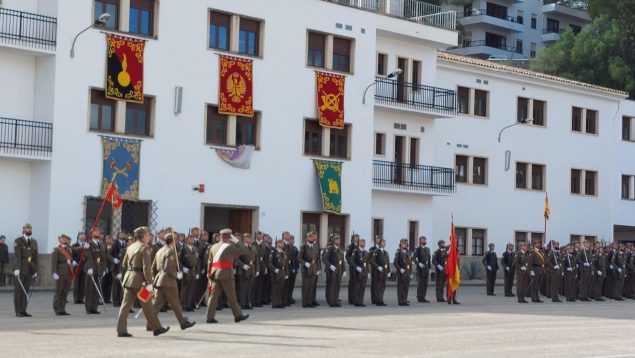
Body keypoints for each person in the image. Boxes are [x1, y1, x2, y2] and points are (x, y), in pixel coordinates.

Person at [116, 226, 169, 338]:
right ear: (143, 236)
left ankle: (121, 329)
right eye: (148, 234)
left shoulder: (130, 246)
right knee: (148, 305)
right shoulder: (144, 247)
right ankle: (157, 328)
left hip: (129, 279)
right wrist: (149, 282)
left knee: (125, 306)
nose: (149, 236)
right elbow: (146, 267)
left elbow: (124, 264)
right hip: (140, 282)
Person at [150, 233, 195, 331]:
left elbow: (153, 267)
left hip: (159, 280)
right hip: (168, 281)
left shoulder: (160, 251)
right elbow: (168, 268)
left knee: (156, 304)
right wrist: (176, 275)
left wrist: (154, 278)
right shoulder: (171, 251)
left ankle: (150, 324)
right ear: (173, 241)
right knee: (175, 303)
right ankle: (183, 323)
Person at [205, 229, 250, 323]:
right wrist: (237, 241)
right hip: (226, 274)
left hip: (215, 274)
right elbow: (244, 250)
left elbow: (210, 262)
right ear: (229, 237)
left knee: (213, 297)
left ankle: (209, 317)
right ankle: (238, 315)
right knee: (232, 296)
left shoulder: (213, 246)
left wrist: (209, 274)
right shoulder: (229, 247)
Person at [14, 223, 38, 317]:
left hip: (30, 269)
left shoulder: (34, 241)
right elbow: (17, 256)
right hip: (21, 268)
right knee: (18, 290)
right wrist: (17, 268)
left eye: (30, 228)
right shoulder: (18, 241)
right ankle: (18, 311)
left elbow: (36, 257)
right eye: (27, 228)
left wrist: (35, 270)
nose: (29, 230)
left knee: (25, 290)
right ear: (23, 229)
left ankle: (23, 310)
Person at [84, 229, 107, 314]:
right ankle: (88, 308)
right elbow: (88, 256)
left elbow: (103, 258)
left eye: (99, 232)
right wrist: (90, 267)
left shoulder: (101, 244)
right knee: (89, 289)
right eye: (95, 231)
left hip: (99, 268)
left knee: (96, 290)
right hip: (91, 268)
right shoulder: (88, 244)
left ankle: (94, 307)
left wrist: (104, 269)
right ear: (91, 233)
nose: (97, 233)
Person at [51, 234, 73, 315]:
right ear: (59, 240)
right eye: (63, 238)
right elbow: (54, 262)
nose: (64, 239)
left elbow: (74, 253)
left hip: (68, 273)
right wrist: (54, 272)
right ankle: (57, 309)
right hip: (60, 273)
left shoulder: (69, 249)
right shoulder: (57, 250)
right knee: (58, 292)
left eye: (66, 238)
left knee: (65, 292)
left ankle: (62, 309)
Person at [236, 233, 259, 310]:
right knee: (243, 287)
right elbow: (236, 259)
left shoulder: (253, 247)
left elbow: (256, 259)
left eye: (250, 237)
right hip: (243, 270)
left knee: (249, 287)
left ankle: (248, 302)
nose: (249, 239)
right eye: (247, 237)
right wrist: (243, 265)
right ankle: (242, 303)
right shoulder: (241, 247)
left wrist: (257, 270)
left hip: (252, 269)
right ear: (244, 239)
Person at [323, 234, 345, 307]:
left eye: (339, 239)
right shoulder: (330, 248)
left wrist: (344, 270)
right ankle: (331, 301)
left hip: (339, 270)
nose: (338, 240)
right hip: (331, 270)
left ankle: (335, 300)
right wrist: (330, 266)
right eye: (336, 239)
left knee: (337, 286)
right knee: (331, 286)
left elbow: (342, 260)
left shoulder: (340, 249)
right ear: (333, 240)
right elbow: (324, 259)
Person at [299, 231, 321, 308]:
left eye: (312, 237)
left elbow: (317, 259)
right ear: (307, 238)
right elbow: (299, 258)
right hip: (306, 270)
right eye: (310, 237)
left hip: (314, 269)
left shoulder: (315, 246)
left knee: (311, 286)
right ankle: (305, 303)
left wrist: (318, 268)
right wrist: (305, 263)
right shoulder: (303, 246)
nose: (312, 238)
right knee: (306, 286)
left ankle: (309, 301)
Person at [179, 234, 199, 312]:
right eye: (190, 238)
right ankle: (183, 305)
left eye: (193, 238)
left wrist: (197, 272)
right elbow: (178, 260)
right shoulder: (183, 249)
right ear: (186, 240)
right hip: (186, 270)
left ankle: (189, 304)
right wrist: (182, 268)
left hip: (193, 271)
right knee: (185, 288)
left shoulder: (195, 249)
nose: (192, 239)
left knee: (191, 289)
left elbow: (197, 262)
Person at [369, 238, 389, 306]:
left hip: (384, 272)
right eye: (383, 242)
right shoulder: (376, 251)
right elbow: (372, 261)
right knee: (378, 286)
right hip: (378, 272)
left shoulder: (386, 252)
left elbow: (387, 263)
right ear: (380, 243)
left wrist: (388, 271)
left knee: (382, 287)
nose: (384, 243)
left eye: (384, 242)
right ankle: (378, 300)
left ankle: (381, 299)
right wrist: (378, 267)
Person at [269, 238, 288, 309]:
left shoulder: (284, 252)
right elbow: (270, 263)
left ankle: (279, 302)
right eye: (280, 243)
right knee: (275, 288)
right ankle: (274, 303)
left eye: (282, 243)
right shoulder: (273, 251)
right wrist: (275, 269)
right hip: (276, 273)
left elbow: (286, 264)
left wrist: (287, 273)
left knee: (280, 288)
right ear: (277, 244)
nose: (282, 244)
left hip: (282, 272)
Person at [393, 238, 412, 306]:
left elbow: (410, 264)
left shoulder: (408, 253)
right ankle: (400, 301)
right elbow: (395, 263)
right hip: (401, 273)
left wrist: (411, 273)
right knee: (400, 287)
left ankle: (404, 299)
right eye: (403, 244)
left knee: (406, 287)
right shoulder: (398, 253)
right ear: (401, 245)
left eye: (405, 244)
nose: (405, 245)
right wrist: (400, 269)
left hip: (407, 273)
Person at [111, 231, 127, 307]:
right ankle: (115, 301)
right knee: (116, 285)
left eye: (124, 234)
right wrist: (113, 259)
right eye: (121, 234)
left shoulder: (126, 243)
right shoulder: (115, 243)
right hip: (116, 266)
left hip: (123, 266)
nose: (123, 235)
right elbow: (109, 254)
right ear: (118, 235)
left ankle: (121, 300)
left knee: (122, 285)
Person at [414, 236, 431, 303]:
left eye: (424, 240)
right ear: (420, 241)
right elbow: (413, 258)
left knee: (425, 283)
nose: (424, 241)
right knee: (420, 283)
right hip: (420, 269)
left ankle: (423, 297)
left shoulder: (427, 249)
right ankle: (419, 297)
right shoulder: (418, 249)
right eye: (422, 240)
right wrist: (418, 264)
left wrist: (429, 268)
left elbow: (429, 259)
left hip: (426, 268)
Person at [352, 239, 369, 307]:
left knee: (362, 287)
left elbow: (367, 262)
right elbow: (351, 261)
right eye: (362, 242)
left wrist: (368, 271)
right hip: (358, 272)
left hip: (364, 272)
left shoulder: (365, 252)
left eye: (364, 242)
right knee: (357, 287)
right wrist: (357, 267)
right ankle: (356, 301)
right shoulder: (356, 251)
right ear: (359, 243)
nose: (363, 243)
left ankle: (360, 301)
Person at [71, 232, 87, 304]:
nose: (83, 236)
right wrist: (73, 261)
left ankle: (81, 298)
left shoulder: (87, 245)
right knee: (76, 283)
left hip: (84, 265)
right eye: (81, 235)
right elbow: (72, 252)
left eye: (84, 235)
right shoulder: (74, 245)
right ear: (78, 236)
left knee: (82, 282)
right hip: (77, 265)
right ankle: (76, 298)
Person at [345, 234, 360, 305]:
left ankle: (355, 298)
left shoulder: (358, 246)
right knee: (352, 283)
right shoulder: (351, 246)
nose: (357, 239)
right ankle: (351, 299)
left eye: (358, 237)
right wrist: (351, 262)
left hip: (358, 267)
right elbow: (347, 256)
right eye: (356, 237)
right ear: (353, 238)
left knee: (356, 283)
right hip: (352, 267)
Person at [286, 235, 299, 306]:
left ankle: (290, 297)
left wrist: (296, 267)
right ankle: (286, 299)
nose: (292, 241)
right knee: (287, 285)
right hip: (288, 268)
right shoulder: (286, 247)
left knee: (292, 285)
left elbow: (297, 258)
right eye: (290, 239)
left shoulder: (295, 248)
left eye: (293, 239)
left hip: (294, 267)